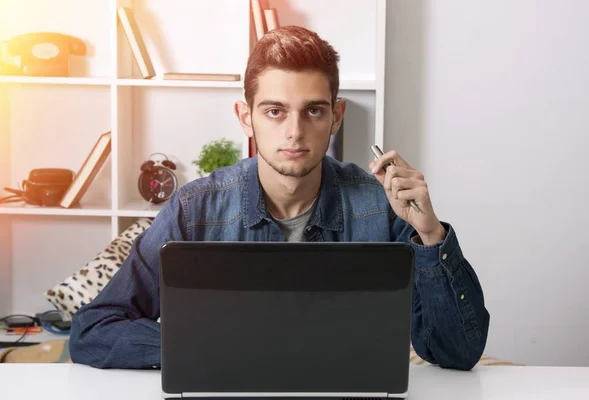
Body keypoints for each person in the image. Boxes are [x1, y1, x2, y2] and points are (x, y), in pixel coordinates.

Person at [69, 26, 490, 371]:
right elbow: (92, 330)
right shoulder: (193, 209)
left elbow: (457, 353)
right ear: (245, 118)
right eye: (274, 111)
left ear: (336, 117)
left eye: (313, 111)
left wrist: (430, 233)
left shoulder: (381, 206)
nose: (294, 131)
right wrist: (206, 346)